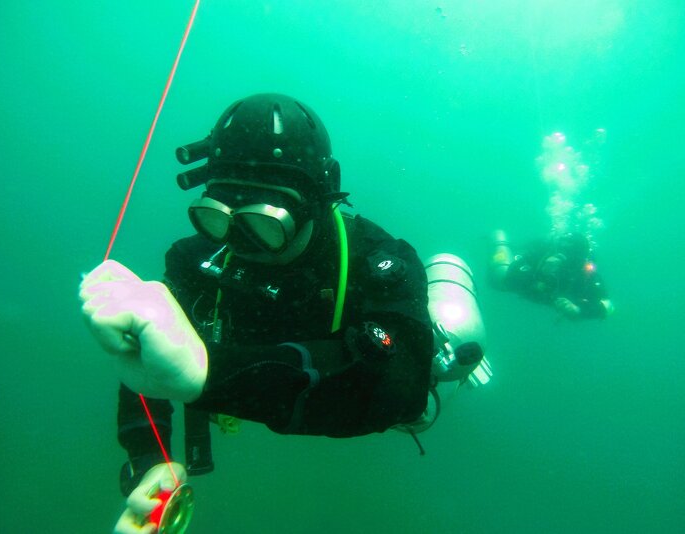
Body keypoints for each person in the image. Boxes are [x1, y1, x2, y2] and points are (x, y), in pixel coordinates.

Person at [80, 93, 490, 533]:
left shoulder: (379, 261)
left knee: (430, 382)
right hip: (254, 383)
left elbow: (400, 389)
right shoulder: (196, 259)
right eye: (216, 214)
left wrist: (207, 371)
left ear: (317, 200)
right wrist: (148, 459)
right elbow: (146, 355)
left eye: (265, 220)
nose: (240, 238)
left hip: (375, 379)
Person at [489, 229, 614, 320]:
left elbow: (608, 306)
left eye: (574, 259)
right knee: (499, 280)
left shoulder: (585, 272)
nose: (566, 263)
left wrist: (578, 310)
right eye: (564, 255)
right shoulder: (540, 255)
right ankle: (499, 243)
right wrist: (540, 273)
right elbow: (509, 280)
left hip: (543, 298)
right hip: (520, 286)